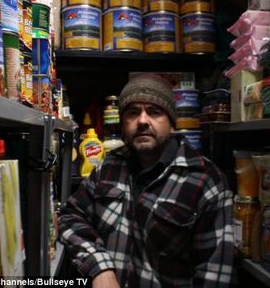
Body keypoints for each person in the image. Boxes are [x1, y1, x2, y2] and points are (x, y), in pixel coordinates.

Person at [58, 74, 234, 287]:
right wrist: (100, 267)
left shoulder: (206, 181)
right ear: (123, 124)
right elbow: (70, 218)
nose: (142, 121)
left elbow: (214, 277)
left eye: (154, 112)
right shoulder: (109, 166)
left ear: (172, 124)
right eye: (133, 113)